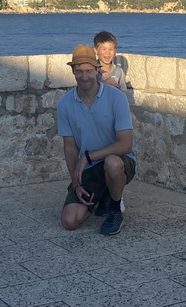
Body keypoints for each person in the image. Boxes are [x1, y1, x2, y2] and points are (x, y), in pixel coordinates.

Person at [57, 44, 136, 235]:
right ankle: (102, 196)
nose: (84, 76)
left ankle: (115, 210)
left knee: (112, 163)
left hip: (119, 161)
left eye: (89, 71)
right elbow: (69, 147)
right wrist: (76, 183)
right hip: (90, 169)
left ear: (97, 70)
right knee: (70, 221)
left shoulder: (116, 98)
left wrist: (88, 156)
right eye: (79, 71)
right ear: (73, 71)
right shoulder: (65, 103)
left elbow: (126, 144)